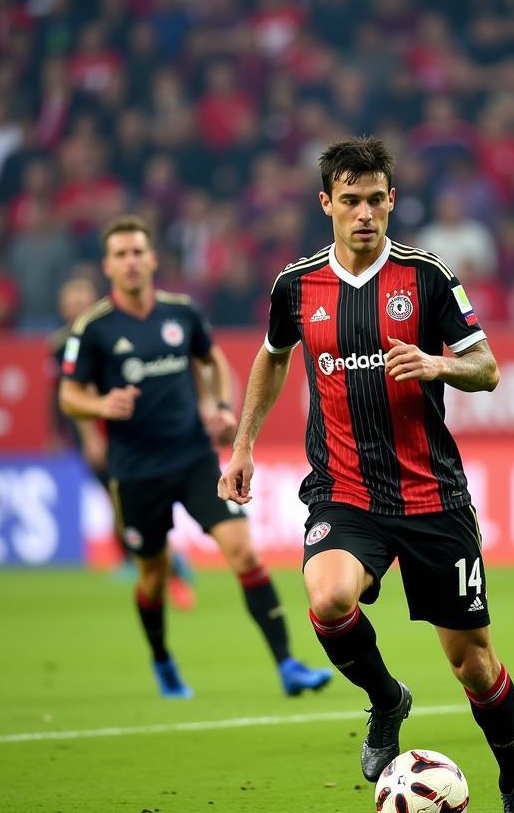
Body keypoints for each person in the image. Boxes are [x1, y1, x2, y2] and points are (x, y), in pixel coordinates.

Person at [218, 136, 514, 813]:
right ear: (326, 202)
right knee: (329, 597)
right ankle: (387, 697)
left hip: (432, 497)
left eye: (377, 200)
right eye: (351, 200)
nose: (365, 213)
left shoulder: (427, 277)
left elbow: (486, 368)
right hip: (344, 489)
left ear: (392, 200)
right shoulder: (295, 285)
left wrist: (435, 363)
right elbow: (272, 359)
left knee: (475, 666)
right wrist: (243, 443)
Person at [58, 216, 332, 699]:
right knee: (153, 576)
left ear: (153, 258)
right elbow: (69, 396)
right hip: (136, 471)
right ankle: (163, 660)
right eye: (121, 254)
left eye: (138, 251)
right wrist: (101, 405)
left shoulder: (181, 314)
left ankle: (288, 663)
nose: (131, 261)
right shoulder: (93, 329)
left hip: (194, 460)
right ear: (108, 265)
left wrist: (219, 405)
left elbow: (212, 359)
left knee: (244, 551)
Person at [48, 276, 197, 611]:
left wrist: (93, 436)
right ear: (62, 306)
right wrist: (69, 436)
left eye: (82, 297)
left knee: (133, 503)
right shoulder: (60, 345)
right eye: (71, 299)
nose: (77, 305)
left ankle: (164, 565)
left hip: (122, 435)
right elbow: (65, 395)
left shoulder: (107, 331)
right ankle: (146, 559)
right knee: (120, 503)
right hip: (95, 433)